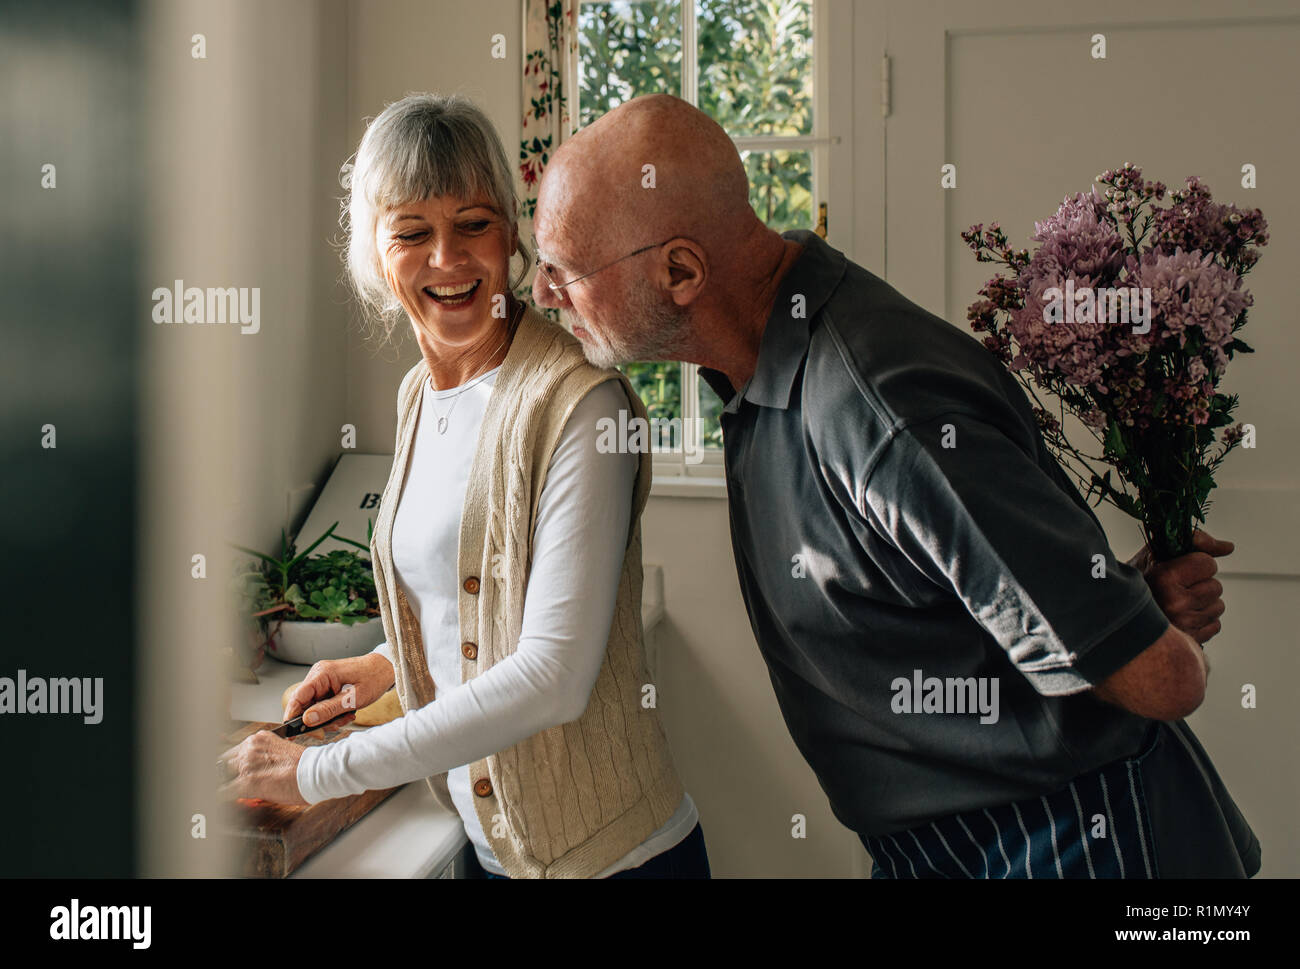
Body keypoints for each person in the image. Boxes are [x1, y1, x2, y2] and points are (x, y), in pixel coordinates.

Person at [528, 92, 1259, 878]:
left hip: (1073, 839)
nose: (542, 293)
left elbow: (1164, 677)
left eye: (564, 270)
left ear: (681, 271)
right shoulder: (762, 368)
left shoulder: (878, 406)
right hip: (950, 846)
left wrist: (1145, 633)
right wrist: (1126, 602)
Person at [219, 93, 709, 879]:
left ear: (511, 235)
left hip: (615, 862)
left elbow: (552, 676)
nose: (447, 258)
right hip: (491, 851)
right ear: (375, 253)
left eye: (473, 223)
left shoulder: (579, 404)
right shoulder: (421, 393)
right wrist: (386, 663)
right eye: (412, 231)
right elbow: (478, 599)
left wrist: (311, 772)